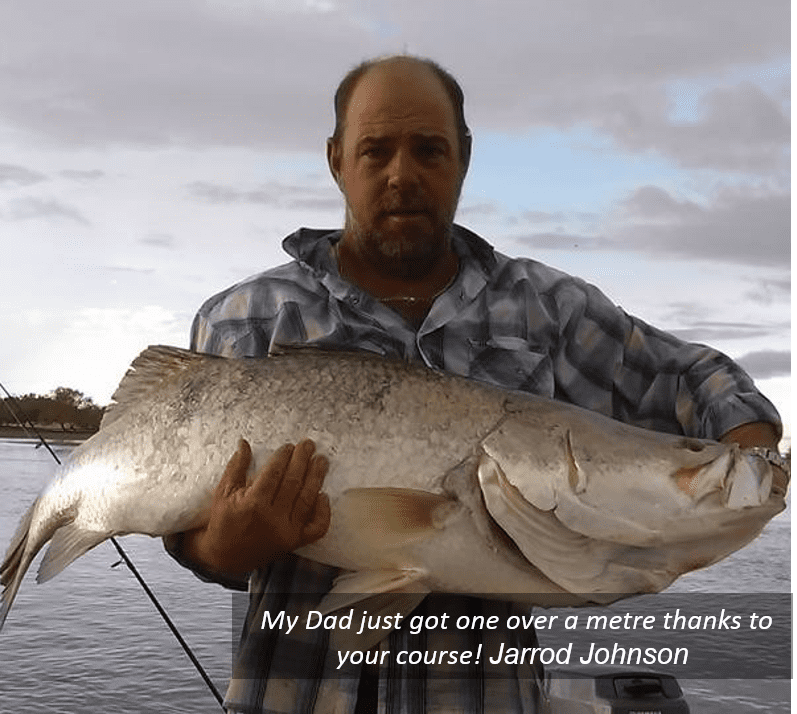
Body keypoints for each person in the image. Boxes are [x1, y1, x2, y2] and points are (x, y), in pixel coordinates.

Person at [164, 55, 787, 713]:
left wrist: (750, 464)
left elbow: (698, 378)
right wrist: (219, 549)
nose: (401, 174)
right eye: (375, 150)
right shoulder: (244, 319)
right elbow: (185, 518)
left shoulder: (547, 310)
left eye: (428, 150)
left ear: (461, 157)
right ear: (335, 159)